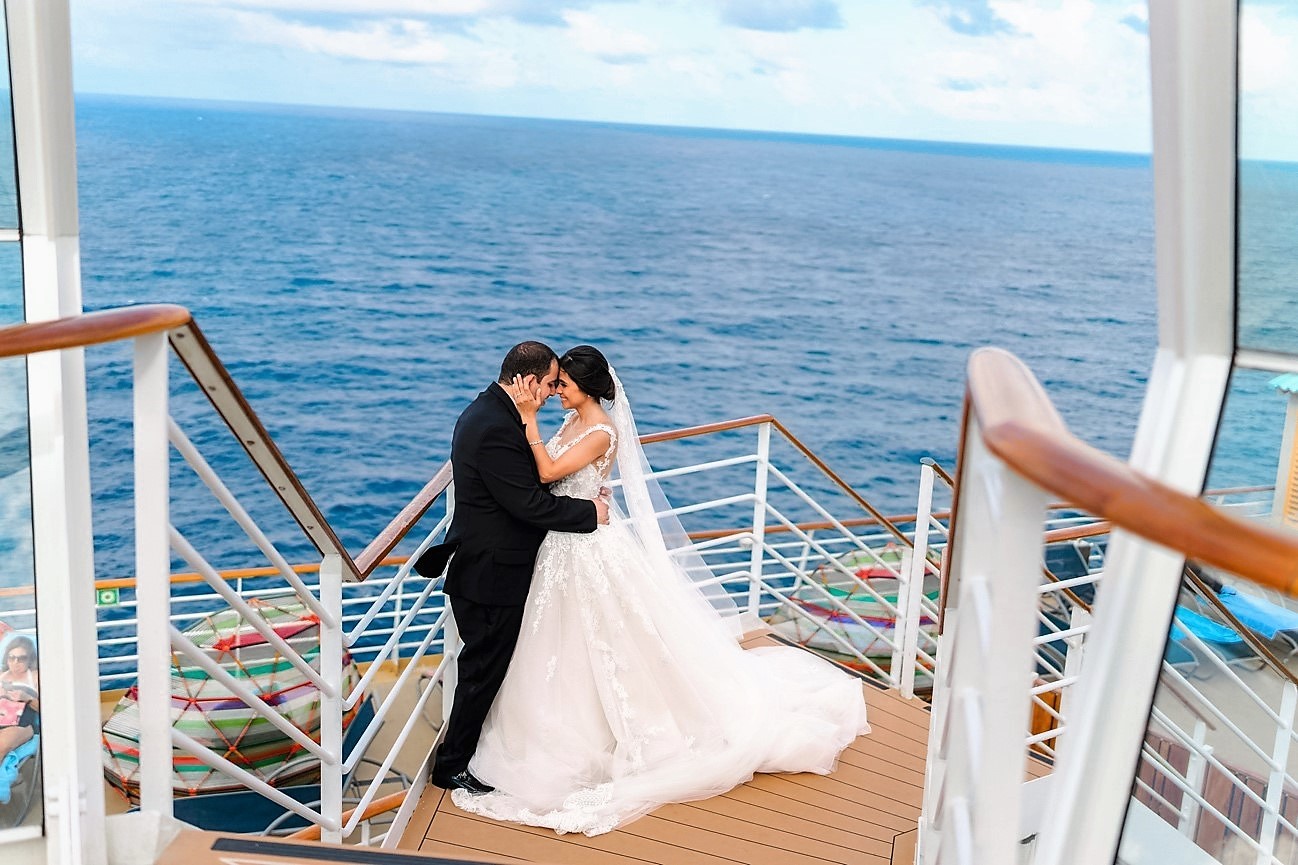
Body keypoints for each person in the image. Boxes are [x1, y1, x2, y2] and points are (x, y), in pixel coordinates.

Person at [450, 345, 870, 836]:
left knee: (603, 641)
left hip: (585, 548)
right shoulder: (562, 425)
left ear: (585, 387)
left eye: (561, 384)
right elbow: (541, 478)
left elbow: (545, 472)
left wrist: (531, 426)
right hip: (561, 545)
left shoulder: (601, 429)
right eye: (552, 383)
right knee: (556, 648)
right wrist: (540, 439)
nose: (554, 392)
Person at [421, 341, 610, 795]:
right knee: (483, 671)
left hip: (494, 563)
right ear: (526, 380)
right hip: (491, 572)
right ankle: (451, 768)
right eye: (548, 383)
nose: (549, 393)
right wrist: (591, 515)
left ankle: (465, 755)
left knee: (489, 668)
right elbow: (527, 503)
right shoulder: (493, 426)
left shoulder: (492, 412)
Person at [0, 636, 38, 765]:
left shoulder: (35, 677)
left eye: (21, 658)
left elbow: (50, 709)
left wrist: (27, 698)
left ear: (30, 659)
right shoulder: (1, 675)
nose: (15, 662)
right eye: (11, 657)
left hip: (22, 724)